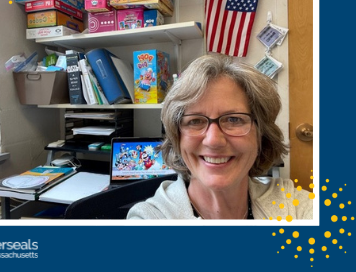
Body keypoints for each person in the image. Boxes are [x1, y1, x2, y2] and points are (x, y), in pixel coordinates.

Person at [127, 54, 313, 220]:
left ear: (261, 135)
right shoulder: (150, 219)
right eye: (195, 121)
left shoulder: (293, 206)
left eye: (233, 119)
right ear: (177, 137)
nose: (213, 140)